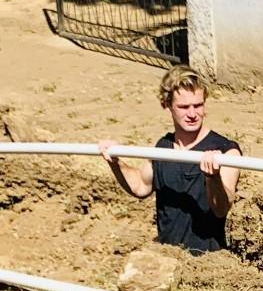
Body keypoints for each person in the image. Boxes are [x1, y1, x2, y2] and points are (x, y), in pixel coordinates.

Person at [98, 65, 241, 255]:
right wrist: (115, 162)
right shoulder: (163, 147)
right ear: (167, 105)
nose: (192, 114)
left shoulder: (225, 151)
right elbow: (141, 186)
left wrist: (213, 178)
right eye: (183, 107)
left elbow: (221, 208)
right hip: (167, 259)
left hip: (208, 264)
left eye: (198, 105)